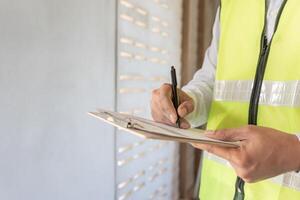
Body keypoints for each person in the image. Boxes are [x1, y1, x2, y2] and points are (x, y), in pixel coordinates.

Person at [151, 0, 300, 199]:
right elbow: (213, 79)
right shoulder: (232, 4)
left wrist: (294, 152)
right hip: (218, 191)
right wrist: (189, 101)